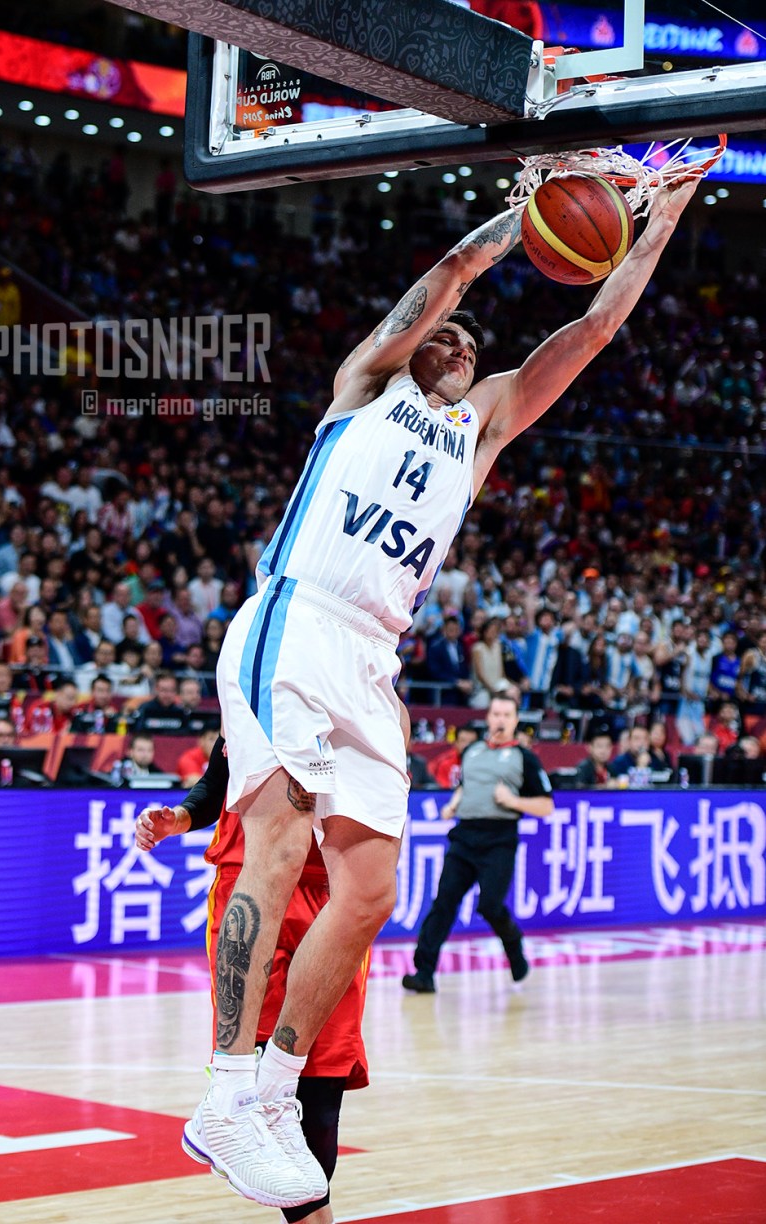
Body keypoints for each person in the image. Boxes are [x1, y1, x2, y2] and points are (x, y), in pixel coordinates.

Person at [196, 178, 699, 1209]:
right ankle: (225, 1090)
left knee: (370, 893)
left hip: (371, 656)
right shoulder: (364, 386)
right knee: (277, 844)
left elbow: (594, 328)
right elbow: (452, 273)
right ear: (411, 346)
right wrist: (525, 216)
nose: (461, 343)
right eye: (447, 335)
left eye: (473, 343)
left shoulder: (482, 429)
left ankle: (276, 1090)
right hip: (299, 615)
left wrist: (659, 221)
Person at [134, 736, 368, 1224]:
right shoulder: (251, 696)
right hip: (252, 885)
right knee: (256, 1072)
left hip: (334, 894)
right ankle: (224, 1106)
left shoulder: (373, 709)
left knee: (323, 1089)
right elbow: (217, 779)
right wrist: (182, 817)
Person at [402, 692, 553, 993]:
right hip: (465, 837)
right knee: (444, 903)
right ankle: (424, 972)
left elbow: (546, 806)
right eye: (496, 714)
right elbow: (466, 785)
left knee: (490, 905)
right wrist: (453, 804)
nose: (500, 720)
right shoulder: (472, 751)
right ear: (488, 717)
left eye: (506, 715)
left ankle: (514, 947)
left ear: (515, 720)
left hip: (499, 839)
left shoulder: (524, 758)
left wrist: (513, 801)